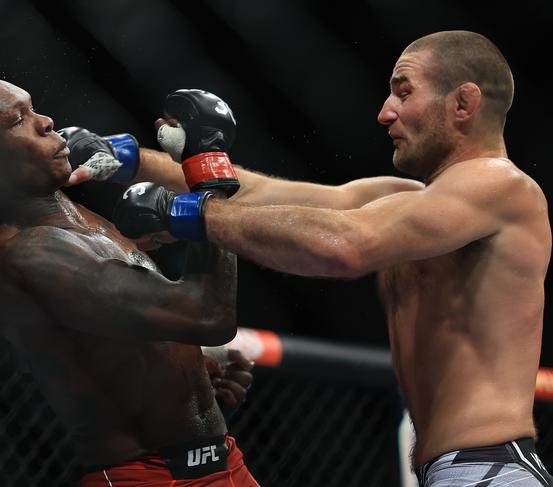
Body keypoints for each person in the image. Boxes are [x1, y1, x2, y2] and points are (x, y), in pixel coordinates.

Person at [107, 31, 552, 486]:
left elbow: (345, 245)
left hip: (489, 470)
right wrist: (121, 157)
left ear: (463, 103)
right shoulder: (405, 200)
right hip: (458, 471)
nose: (385, 112)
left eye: (404, 91)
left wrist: (187, 215)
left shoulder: (503, 188)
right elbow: (259, 195)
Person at [0, 74, 260, 487]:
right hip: (148, 479)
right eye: (17, 120)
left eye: (34, 107)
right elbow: (208, 315)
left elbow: (132, 348)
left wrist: (197, 386)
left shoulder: (81, 222)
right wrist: (209, 173)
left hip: (222, 462)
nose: (46, 122)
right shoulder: (29, 256)